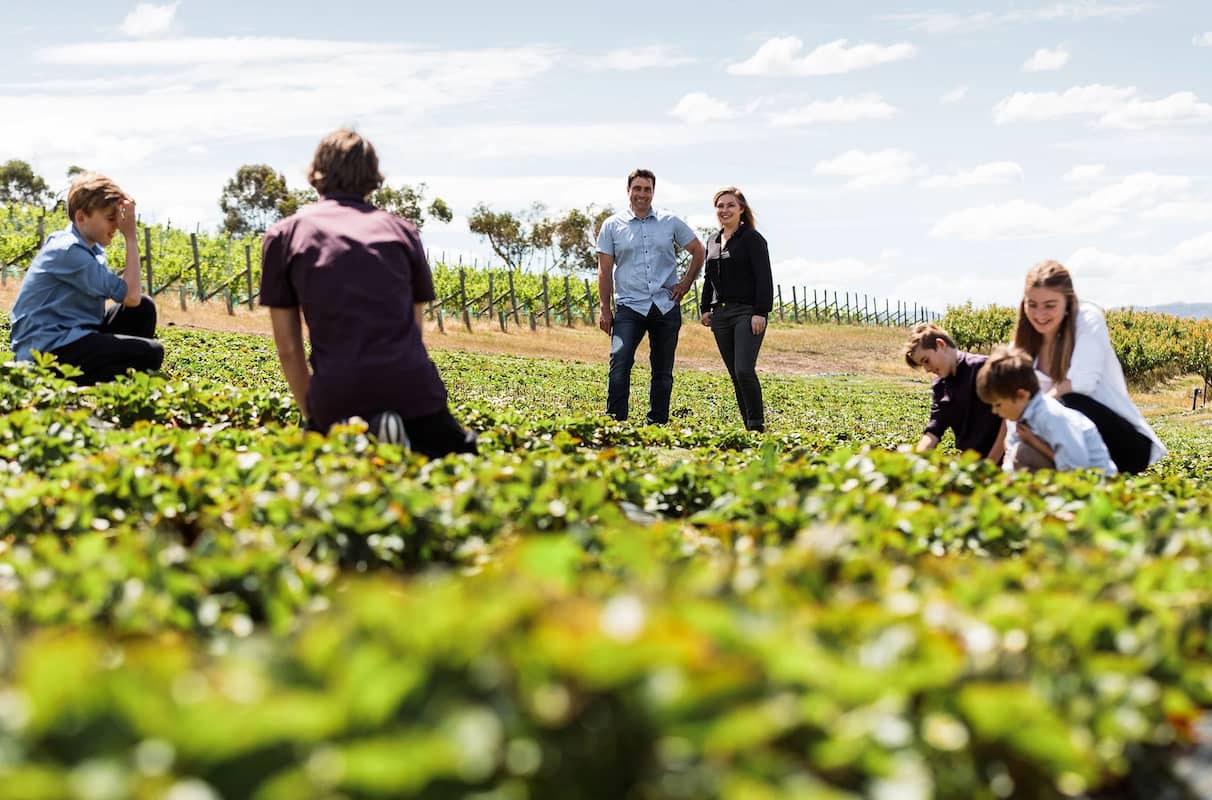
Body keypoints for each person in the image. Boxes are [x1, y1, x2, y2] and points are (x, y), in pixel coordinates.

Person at [259, 129, 476, 458]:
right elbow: (414, 331)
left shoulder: (284, 234)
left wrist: (315, 416)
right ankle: (393, 433)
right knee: (461, 463)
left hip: (338, 392)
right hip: (411, 389)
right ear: (372, 176)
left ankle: (359, 436)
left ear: (317, 172)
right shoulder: (403, 232)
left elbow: (288, 347)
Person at [9, 173, 163, 384]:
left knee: (143, 309)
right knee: (151, 352)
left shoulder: (91, 247)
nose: (117, 225)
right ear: (81, 217)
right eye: (110, 218)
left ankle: (110, 375)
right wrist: (130, 237)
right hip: (46, 351)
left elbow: (134, 301)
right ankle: (102, 379)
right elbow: (131, 295)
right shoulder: (69, 251)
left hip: (74, 336)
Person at [1013, 260, 1165, 473]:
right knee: (1022, 451)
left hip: (1122, 445)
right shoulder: (1023, 344)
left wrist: (1032, 411)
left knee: (1067, 399)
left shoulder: (1086, 318)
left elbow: (1081, 383)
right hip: (1068, 442)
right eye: (1032, 304)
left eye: (1049, 305)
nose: (1039, 314)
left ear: (1067, 301)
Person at [596, 168, 705, 424]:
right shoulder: (612, 225)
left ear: (653, 192)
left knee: (663, 370)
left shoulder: (670, 221)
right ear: (628, 190)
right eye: (637, 188)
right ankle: (615, 420)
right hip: (629, 307)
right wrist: (605, 308)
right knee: (620, 360)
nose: (642, 194)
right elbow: (604, 270)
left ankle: (657, 422)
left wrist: (686, 283)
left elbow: (698, 250)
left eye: (647, 189)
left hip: (665, 307)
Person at [976, 345, 1116, 475]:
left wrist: (1034, 442)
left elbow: (1078, 466)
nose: (994, 411)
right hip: (1066, 475)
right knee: (1018, 454)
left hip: (1095, 480)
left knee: (1023, 453)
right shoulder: (1015, 420)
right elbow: (1010, 462)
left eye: (998, 404)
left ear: (1021, 395)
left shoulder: (1051, 415)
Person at [698, 187, 772, 432]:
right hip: (721, 315)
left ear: (741, 209)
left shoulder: (752, 239)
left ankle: (757, 426)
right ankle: (748, 425)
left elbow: (764, 278)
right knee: (734, 374)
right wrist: (705, 307)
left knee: (744, 369)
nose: (724, 210)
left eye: (730, 205)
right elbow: (709, 278)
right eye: (720, 206)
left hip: (747, 313)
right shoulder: (713, 240)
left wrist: (761, 312)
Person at [904, 322, 1005, 462]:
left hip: (1006, 463)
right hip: (974, 465)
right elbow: (934, 431)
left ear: (940, 344)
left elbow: (1009, 421)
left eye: (926, 361)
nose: (927, 369)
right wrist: (913, 461)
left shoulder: (985, 369)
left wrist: (991, 463)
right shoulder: (940, 387)